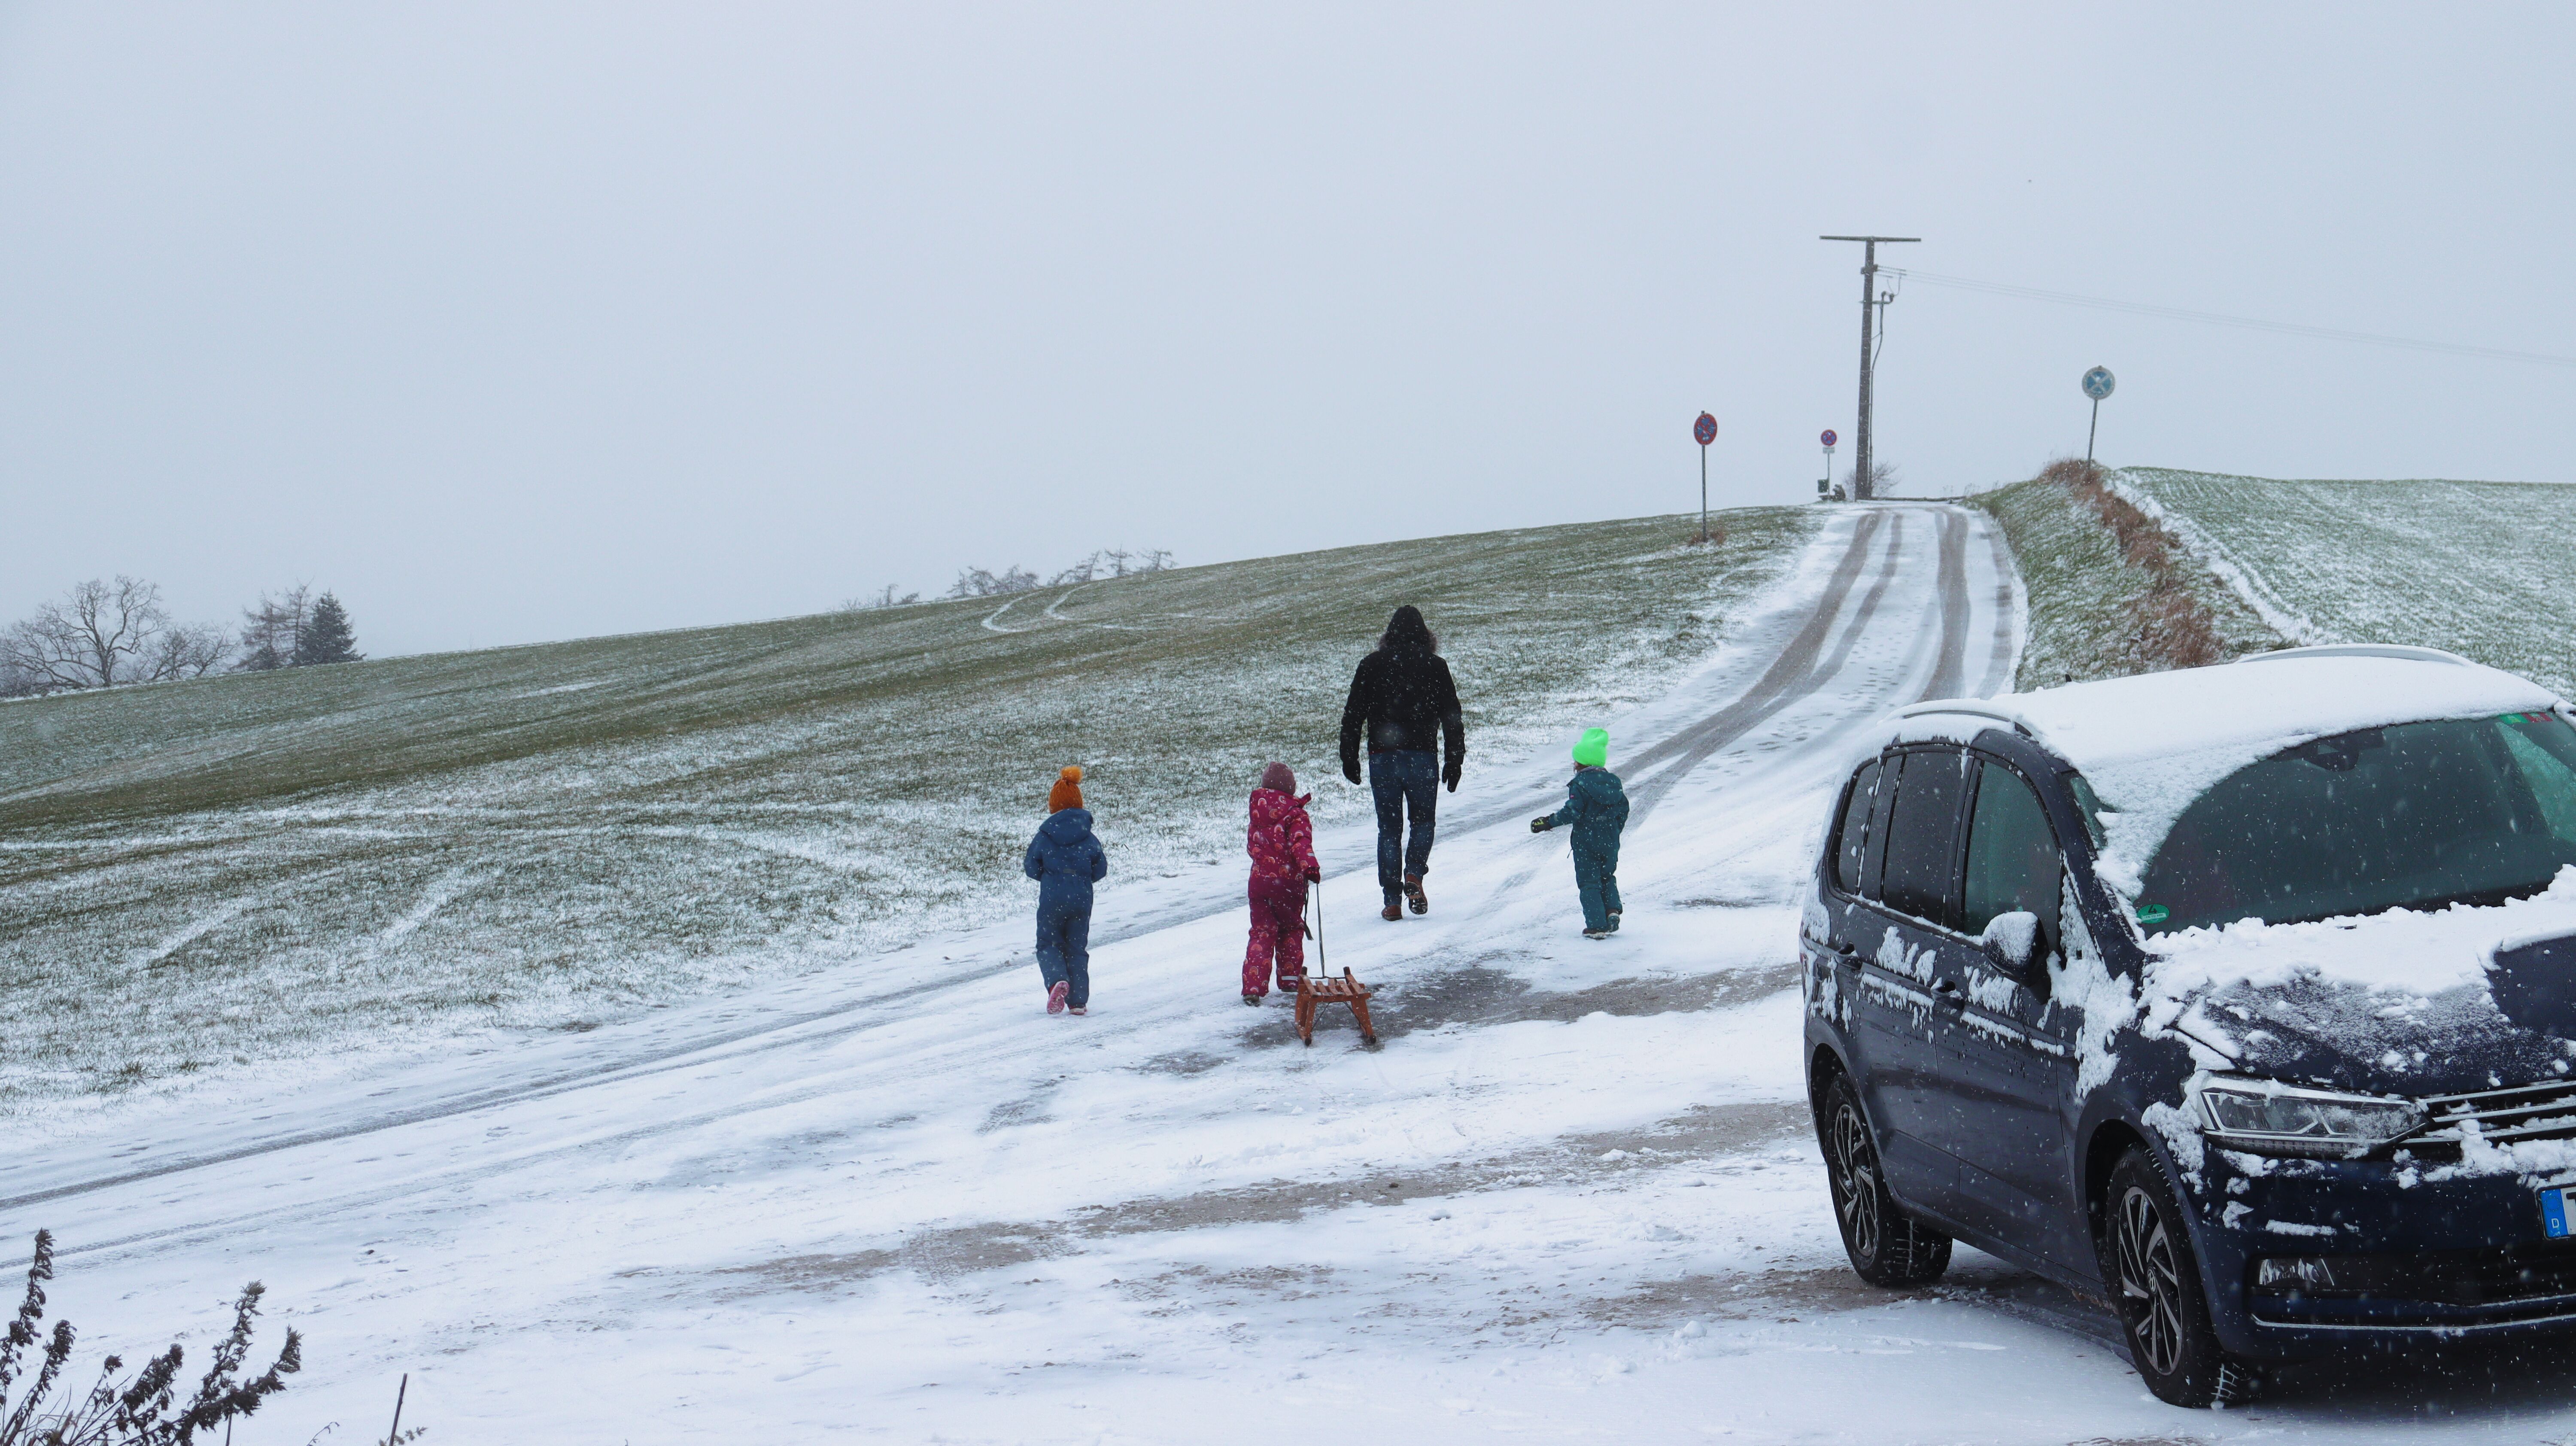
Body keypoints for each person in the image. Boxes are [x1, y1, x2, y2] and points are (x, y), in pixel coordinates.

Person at [1340, 605, 1465, 921]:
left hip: (1383, 758)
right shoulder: (1436, 666)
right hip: (1423, 757)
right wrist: (1454, 759)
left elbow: (1353, 714)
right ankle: (1414, 875)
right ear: (1425, 636)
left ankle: (1392, 900)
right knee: (1423, 823)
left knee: (1389, 829)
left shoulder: (1371, 665)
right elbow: (1452, 717)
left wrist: (1349, 755)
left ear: (1388, 635)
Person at [1024, 765, 1109, 1015]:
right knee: (1076, 947)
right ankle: (1078, 1002)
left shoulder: (1045, 836)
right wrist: (1082, 880)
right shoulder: (1088, 836)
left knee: (1048, 943)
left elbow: (1031, 866)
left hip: (1053, 897)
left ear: (1053, 807)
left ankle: (1057, 981)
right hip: (1081, 898)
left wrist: (1049, 877)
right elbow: (1101, 868)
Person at [1530, 727, 1629, 939]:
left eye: (1576, 760)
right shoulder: (1614, 783)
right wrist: (1614, 830)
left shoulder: (1580, 784)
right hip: (1610, 840)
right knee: (1607, 876)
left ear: (1582, 762)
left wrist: (1548, 822)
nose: (1574, 764)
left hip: (1587, 841)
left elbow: (1573, 812)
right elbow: (1623, 810)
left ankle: (1596, 926)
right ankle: (1612, 911)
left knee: (1589, 882)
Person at [1242, 762, 1322, 1005]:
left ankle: (1253, 988)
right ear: (1290, 788)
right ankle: (1289, 978)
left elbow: (1252, 846)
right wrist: (1310, 867)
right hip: (1287, 883)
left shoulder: (1258, 813)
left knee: (1262, 932)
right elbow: (1300, 842)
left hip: (1259, 882)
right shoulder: (1296, 814)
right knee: (1290, 929)